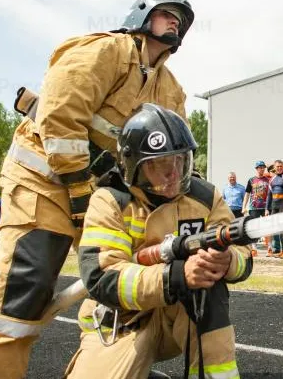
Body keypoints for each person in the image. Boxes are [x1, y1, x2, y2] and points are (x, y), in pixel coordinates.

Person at [0, 0, 196, 379]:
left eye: (180, 21)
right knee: (28, 282)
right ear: (141, 16)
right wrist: (79, 187)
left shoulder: (170, 88)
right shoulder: (103, 51)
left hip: (98, 193)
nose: (174, 23)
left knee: (123, 275)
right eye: (167, 14)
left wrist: (191, 196)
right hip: (42, 182)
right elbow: (60, 115)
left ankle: (110, 362)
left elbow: (173, 149)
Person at [63, 103, 251, 379]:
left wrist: (228, 261)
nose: (173, 173)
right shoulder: (110, 200)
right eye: (160, 164)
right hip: (122, 322)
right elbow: (103, 278)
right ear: (134, 167)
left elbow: (243, 254)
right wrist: (176, 276)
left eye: (179, 160)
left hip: (179, 317)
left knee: (207, 284)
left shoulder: (205, 197)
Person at [265, 160, 283, 259]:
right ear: (274, 167)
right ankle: (282, 250)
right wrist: (267, 209)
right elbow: (269, 195)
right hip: (274, 205)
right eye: (277, 166)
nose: (279, 168)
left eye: (281, 166)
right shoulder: (272, 179)